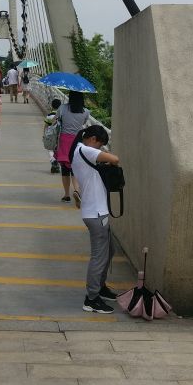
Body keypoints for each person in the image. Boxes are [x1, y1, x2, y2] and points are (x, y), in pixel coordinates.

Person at [70, 125, 121, 314]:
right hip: (96, 213)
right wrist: (104, 153)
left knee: (109, 250)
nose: (100, 148)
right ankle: (91, 298)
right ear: (92, 139)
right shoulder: (86, 149)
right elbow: (115, 159)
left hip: (96, 211)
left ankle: (100, 287)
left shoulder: (77, 150)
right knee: (99, 257)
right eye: (100, 144)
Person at [55, 91, 91, 202]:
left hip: (64, 140)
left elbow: (55, 120)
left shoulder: (62, 108)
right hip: (77, 140)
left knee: (65, 169)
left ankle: (66, 195)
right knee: (75, 167)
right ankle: (76, 190)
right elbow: (84, 123)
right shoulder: (85, 112)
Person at [44, 98, 62, 174]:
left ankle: (53, 160)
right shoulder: (61, 115)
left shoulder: (49, 115)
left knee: (50, 149)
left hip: (51, 135)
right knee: (57, 149)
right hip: (60, 135)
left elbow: (46, 126)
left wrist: (44, 134)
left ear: (52, 106)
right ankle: (57, 163)